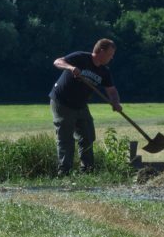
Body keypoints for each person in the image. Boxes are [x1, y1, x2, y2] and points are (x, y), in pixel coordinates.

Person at [49, 38, 122, 175]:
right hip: (62, 102)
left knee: (88, 136)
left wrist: (115, 102)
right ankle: (64, 172)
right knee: (66, 138)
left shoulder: (104, 71)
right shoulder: (81, 57)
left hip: (81, 105)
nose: (111, 58)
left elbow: (111, 90)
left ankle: (87, 171)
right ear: (101, 51)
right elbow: (57, 61)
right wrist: (71, 68)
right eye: (110, 54)